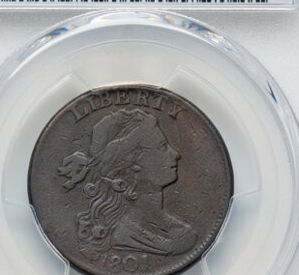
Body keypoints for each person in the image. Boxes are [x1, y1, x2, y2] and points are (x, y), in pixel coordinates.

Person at [58, 109, 197, 258]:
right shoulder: (125, 236)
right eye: (162, 147)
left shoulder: (172, 229)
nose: (176, 154)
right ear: (132, 163)